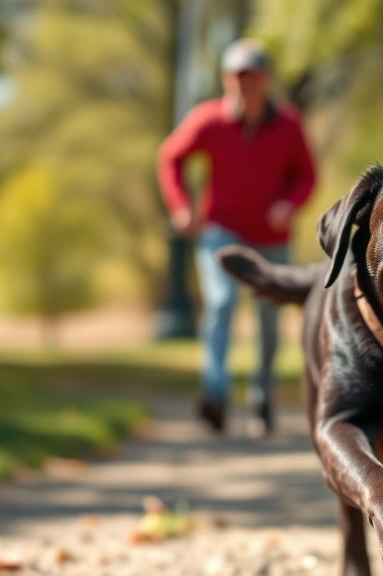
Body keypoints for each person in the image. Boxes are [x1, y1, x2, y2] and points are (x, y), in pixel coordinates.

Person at [156, 39, 316, 437]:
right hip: (220, 231)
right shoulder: (208, 120)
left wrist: (289, 204)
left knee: (267, 319)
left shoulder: (289, 124)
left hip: (271, 237)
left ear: (266, 79)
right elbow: (170, 157)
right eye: (239, 76)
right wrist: (181, 206)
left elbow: (307, 175)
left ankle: (262, 400)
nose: (246, 84)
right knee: (221, 301)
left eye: (254, 75)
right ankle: (215, 394)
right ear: (227, 79)